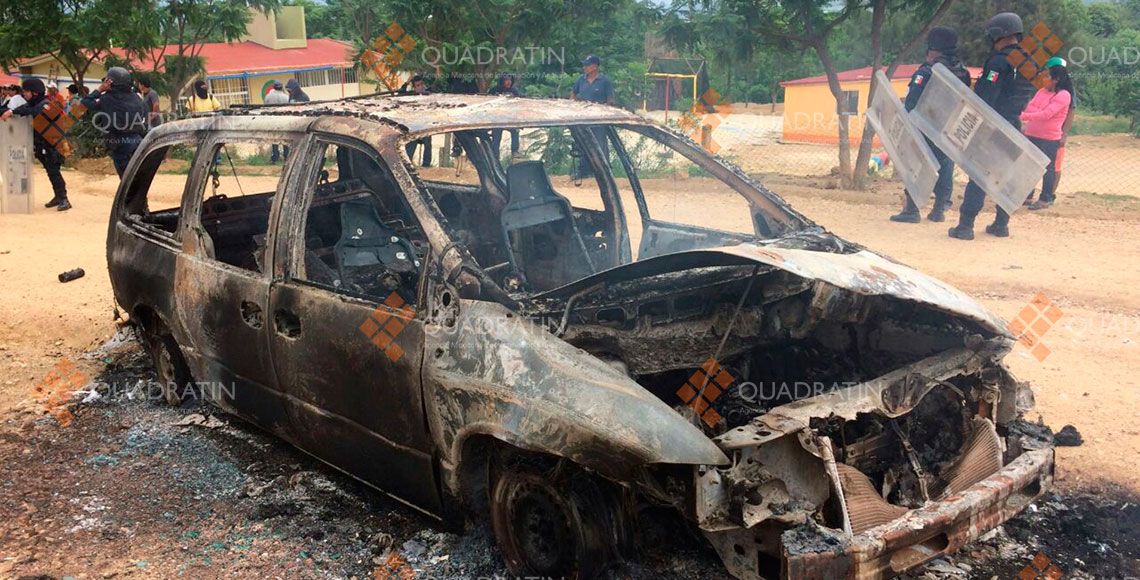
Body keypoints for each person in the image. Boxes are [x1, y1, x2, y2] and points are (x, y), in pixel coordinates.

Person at [948, 12, 1037, 240]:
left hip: (993, 125)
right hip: (1015, 125)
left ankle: (965, 226)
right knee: (1005, 177)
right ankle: (1001, 224)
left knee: (980, 175)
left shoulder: (999, 61)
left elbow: (985, 98)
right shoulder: (1029, 61)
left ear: (998, 33)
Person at [889, 26, 973, 224]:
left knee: (916, 165)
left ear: (933, 49)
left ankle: (911, 210)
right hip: (949, 127)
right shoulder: (962, 71)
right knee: (945, 165)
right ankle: (939, 209)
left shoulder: (927, 71)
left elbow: (911, 103)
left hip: (925, 126)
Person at [0, 79, 70, 210]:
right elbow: (26, 108)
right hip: (44, 146)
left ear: (35, 93)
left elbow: (36, 111)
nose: (24, 94)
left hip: (54, 145)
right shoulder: (33, 103)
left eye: (26, 91)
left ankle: (64, 199)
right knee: (51, 172)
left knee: (54, 172)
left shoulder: (47, 104)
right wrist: (10, 111)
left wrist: (13, 112)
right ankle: (58, 196)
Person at [1017, 64, 1073, 212]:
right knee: (1028, 166)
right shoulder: (1042, 91)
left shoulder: (1064, 95)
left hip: (1049, 137)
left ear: (1056, 79)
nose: (1044, 78)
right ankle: (1027, 195)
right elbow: (1031, 106)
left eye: (1047, 76)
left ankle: (1045, 198)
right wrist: (1037, 112)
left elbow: (1047, 114)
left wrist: (1025, 116)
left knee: (1048, 168)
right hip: (1032, 134)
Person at [80, 67, 149, 177]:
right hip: (138, 141)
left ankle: (131, 195)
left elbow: (86, 102)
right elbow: (145, 116)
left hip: (120, 142)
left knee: (126, 180)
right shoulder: (136, 97)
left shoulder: (106, 99)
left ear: (110, 82)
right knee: (136, 177)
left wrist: (99, 89)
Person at [488, 73, 521, 157]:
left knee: (515, 131)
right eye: (506, 80)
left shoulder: (514, 91)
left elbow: (519, 105)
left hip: (510, 118)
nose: (508, 82)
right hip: (497, 118)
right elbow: (487, 104)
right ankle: (495, 156)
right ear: (502, 81)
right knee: (496, 137)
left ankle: (515, 151)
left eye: (510, 80)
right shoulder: (494, 90)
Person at [403, 75, 433, 167]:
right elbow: (401, 92)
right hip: (413, 126)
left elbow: (438, 85)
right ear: (414, 87)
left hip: (425, 125)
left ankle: (426, 166)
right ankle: (407, 166)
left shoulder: (429, 94)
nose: (420, 87)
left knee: (427, 145)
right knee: (410, 146)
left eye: (421, 84)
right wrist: (407, 82)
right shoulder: (411, 95)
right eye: (418, 85)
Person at [264, 81, 290, 163]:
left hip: (273, 120)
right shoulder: (286, 97)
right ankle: (286, 156)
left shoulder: (268, 97)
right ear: (281, 87)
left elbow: (265, 109)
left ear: (273, 87)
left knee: (274, 138)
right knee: (285, 138)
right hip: (284, 121)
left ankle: (274, 158)